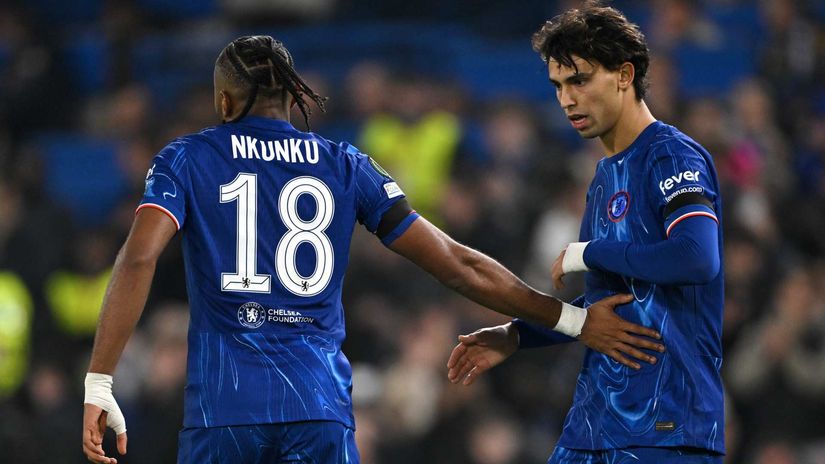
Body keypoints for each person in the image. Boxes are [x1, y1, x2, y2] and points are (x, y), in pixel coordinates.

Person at [80, 35, 664, 464]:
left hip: (226, 411)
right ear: (290, 100)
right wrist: (567, 318)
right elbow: (458, 265)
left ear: (225, 104)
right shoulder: (345, 163)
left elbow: (138, 257)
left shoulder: (188, 157)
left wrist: (100, 382)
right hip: (320, 411)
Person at [447, 5, 725, 463]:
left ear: (623, 75)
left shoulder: (672, 156)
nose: (566, 100)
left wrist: (591, 251)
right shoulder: (602, 179)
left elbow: (697, 256)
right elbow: (610, 305)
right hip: (594, 425)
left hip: (666, 425)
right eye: (558, 85)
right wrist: (518, 335)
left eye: (579, 80)